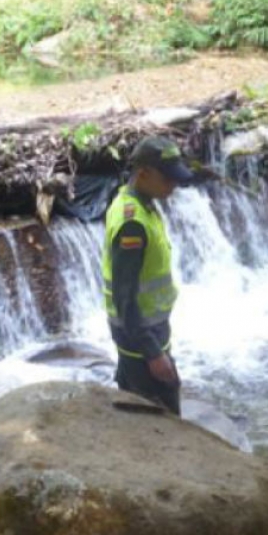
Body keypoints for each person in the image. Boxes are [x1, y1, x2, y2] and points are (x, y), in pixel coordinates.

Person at [101, 136, 194, 415]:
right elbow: (124, 296)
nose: (173, 185)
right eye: (168, 179)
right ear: (143, 174)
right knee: (161, 416)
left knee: (140, 407)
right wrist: (153, 353)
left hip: (146, 332)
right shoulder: (133, 224)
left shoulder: (136, 200)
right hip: (139, 340)